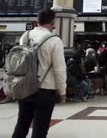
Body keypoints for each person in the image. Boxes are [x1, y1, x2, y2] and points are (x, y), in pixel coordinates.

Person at [12, 9, 67, 138]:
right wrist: (62, 91)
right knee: (40, 126)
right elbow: (59, 69)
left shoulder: (25, 36)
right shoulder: (54, 40)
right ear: (53, 22)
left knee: (22, 124)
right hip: (45, 89)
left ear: (37, 21)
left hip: (24, 85)